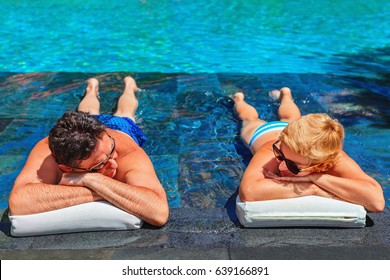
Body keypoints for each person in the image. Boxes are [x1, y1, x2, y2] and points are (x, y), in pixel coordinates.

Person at [9, 76, 169, 226]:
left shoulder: (127, 153)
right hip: (84, 135)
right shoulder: (47, 150)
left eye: (111, 150)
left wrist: (90, 180)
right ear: (67, 169)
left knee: (125, 112)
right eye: (100, 164)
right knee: (87, 111)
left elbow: (159, 212)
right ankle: (92, 88)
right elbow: (18, 203)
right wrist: (102, 187)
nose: (114, 162)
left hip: (120, 128)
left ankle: (129, 87)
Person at [233, 87, 385, 212]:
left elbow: (376, 202)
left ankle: (286, 95)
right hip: (264, 133)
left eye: (293, 165)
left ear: (322, 165)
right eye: (280, 156)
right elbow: (249, 192)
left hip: (298, 137)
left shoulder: (334, 158)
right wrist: (309, 188)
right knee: (250, 119)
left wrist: (317, 181)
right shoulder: (273, 148)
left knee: (290, 117)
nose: (281, 166)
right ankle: (239, 99)